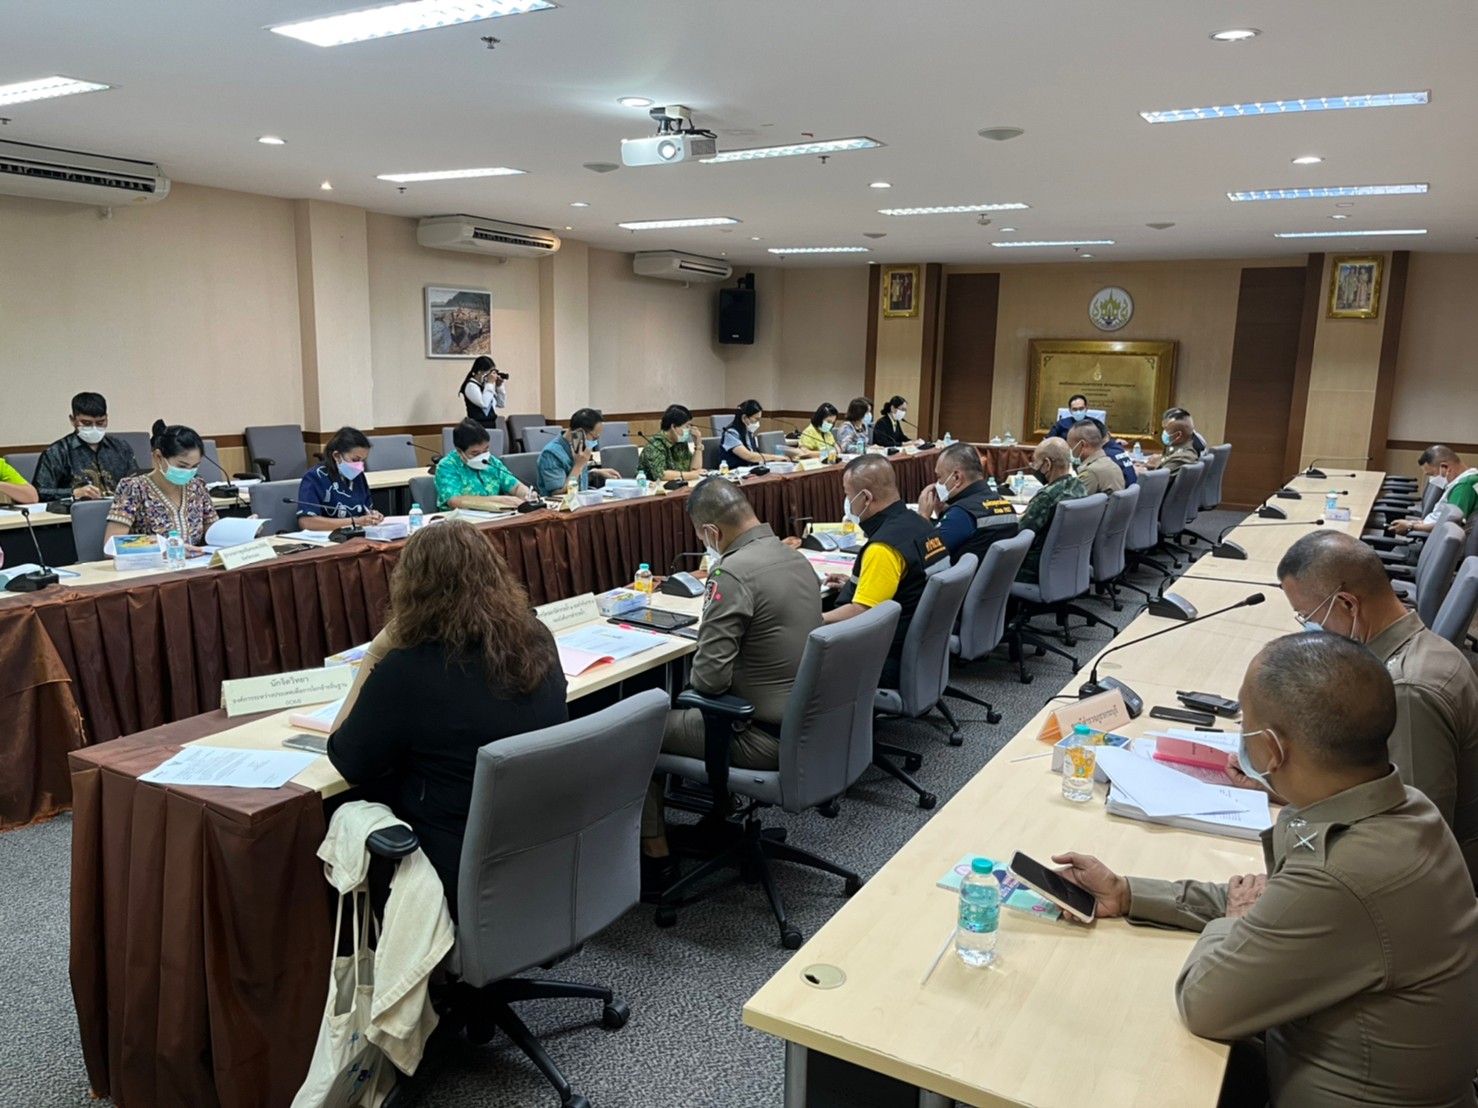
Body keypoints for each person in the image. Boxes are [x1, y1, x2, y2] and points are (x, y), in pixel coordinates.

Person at [1053, 633, 1478, 1108]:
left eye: (1245, 725)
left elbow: (1204, 1003)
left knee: (1107, 1056)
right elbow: (1276, 906)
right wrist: (1129, 892)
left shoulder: (1342, 874)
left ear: (1272, 749)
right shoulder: (1405, 809)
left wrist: (1234, 922)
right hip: (1326, 1060)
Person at [328, 522, 568, 915]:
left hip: (454, 864)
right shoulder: (538, 638)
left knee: (342, 810)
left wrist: (375, 652)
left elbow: (346, 759)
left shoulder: (406, 669)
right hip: (541, 844)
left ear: (411, 589)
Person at [640, 479, 823, 891]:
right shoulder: (794, 557)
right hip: (807, 724)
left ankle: (657, 860)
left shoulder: (732, 572)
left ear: (711, 532)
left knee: (638, 731)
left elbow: (708, 681)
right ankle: (721, 814)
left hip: (759, 735)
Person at [1268, 530, 1478, 881]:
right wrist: (1280, 785)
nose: (1310, 628)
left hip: (1433, 883)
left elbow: (1413, 838)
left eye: (1308, 616)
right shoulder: (1419, 649)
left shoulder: (1406, 691)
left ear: (1348, 605)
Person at [822, 455, 948, 687]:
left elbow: (862, 613)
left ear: (866, 498)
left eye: (848, 495)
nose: (847, 502)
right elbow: (910, 585)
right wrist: (857, 583)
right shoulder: (922, 524)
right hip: (924, 650)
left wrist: (812, 619)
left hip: (882, 657)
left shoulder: (883, 548)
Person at [104, 420, 217, 549]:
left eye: (195, 466)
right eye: (182, 466)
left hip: (194, 560)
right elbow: (112, 545)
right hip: (151, 561)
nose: (188, 472)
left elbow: (215, 533)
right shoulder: (133, 488)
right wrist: (165, 548)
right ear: (158, 457)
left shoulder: (197, 486)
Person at [915, 442, 1017, 564]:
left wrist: (923, 517)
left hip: (958, 575)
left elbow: (924, 556)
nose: (938, 483)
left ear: (957, 478)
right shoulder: (1005, 504)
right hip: (994, 574)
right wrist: (942, 513)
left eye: (939, 477)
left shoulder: (962, 514)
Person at [34, 391, 138, 502]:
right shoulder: (57, 452)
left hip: (120, 509)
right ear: (73, 420)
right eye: (86, 423)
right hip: (78, 510)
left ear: (107, 419)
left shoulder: (121, 447)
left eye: (100, 423)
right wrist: (73, 493)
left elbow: (138, 481)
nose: (94, 428)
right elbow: (40, 492)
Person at [1016, 439, 1086, 584]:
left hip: (1032, 568)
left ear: (1047, 464)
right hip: (1068, 564)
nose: (1034, 468)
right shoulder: (1079, 486)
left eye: (1035, 463)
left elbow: (1020, 533)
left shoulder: (1047, 497)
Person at [295, 426, 384, 532]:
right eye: (355, 460)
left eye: (363, 460)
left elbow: (365, 508)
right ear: (337, 456)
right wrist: (354, 522)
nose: (360, 465)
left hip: (357, 535)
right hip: (329, 538)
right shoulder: (315, 477)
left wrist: (372, 516)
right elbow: (306, 522)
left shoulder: (358, 476)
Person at [434, 418, 534, 511]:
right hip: (460, 521)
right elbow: (454, 501)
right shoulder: (447, 466)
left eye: (486, 450)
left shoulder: (492, 462)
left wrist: (527, 494)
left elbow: (515, 487)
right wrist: (499, 500)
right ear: (460, 451)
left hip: (496, 517)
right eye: (475, 453)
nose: (482, 456)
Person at [1390, 445, 1478, 535]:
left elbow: (1450, 526)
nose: (1431, 479)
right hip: (1428, 530)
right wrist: (1415, 523)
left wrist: (1411, 527)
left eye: (1431, 474)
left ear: (1445, 466)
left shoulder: (1463, 488)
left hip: (1431, 537)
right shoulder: (1471, 478)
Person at [536, 407, 620, 496]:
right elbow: (559, 494)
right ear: (579, 432)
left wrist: (593, 473)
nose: (595, 442)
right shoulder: (551, 454)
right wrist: (578, 465)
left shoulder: (578, 448)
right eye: (594, 437)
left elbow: (575, 479)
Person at [639, 404, 703, 482]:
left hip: (678, 486)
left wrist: (698, 445)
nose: (689, 430)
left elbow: (695, 470)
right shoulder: (655, 444)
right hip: (652, 487)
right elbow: (661, 475)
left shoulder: (680, 442)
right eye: (687, 426)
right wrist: (691, 475)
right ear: (673, 427)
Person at [718, 400, 787, 468]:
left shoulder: (748, 432)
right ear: (744, 417)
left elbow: (755, 454)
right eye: (756, 419)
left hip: (749, 470)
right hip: (732, 471)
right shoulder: (731, 434)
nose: (758, 423)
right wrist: (775, 457)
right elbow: (749, 456)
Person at [1066, 421, 1125, 496]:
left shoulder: (1091, 472)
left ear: (1083, 445)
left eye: (1070, 446)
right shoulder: (1112, 464)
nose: (1070, 451)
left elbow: (1069, 501)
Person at [458, 355, 507, 431]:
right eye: (488, 373)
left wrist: (499, 387)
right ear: (479, 372)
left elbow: (501, 404)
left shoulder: (485, 386)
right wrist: (490, 383)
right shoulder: (471, 386)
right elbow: (484, 404)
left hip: (491, 425)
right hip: (477, 427)